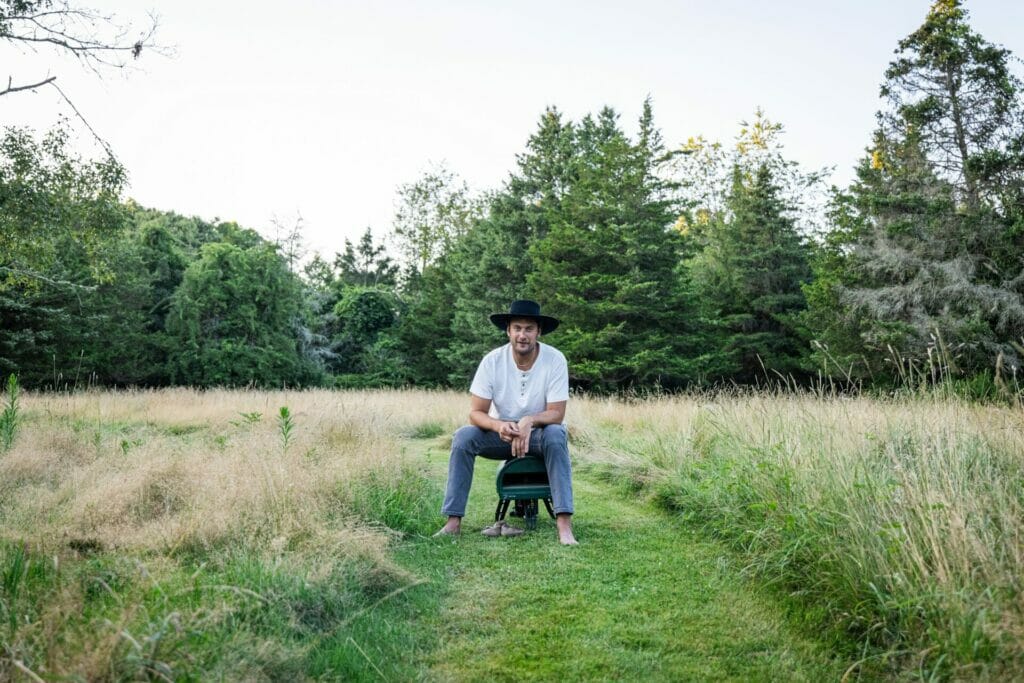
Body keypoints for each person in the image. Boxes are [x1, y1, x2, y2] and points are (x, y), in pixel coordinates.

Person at [435, 299, 577, 545]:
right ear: (508, 331)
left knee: (556, 434)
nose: (523, 335)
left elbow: (556, 414)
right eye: (517, 328)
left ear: (538, 332)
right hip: (503, 435)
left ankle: (564, 524)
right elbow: (476, 413)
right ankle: (453, 521)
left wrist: (529, 421)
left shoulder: (555, 359)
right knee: (463, 437)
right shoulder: (492, 361)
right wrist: (499, 425)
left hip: (539, 434)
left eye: (529, 329)